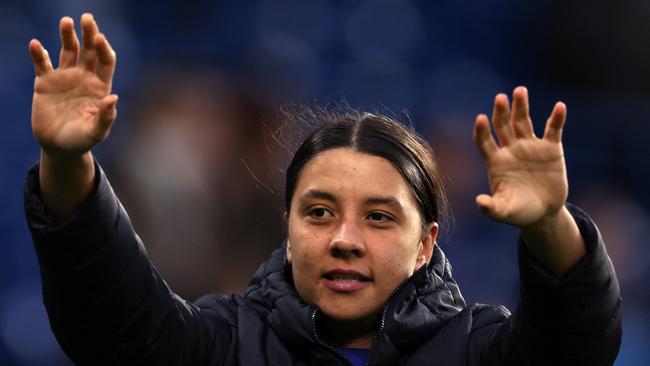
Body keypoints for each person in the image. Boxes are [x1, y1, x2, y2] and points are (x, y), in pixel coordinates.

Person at [24, 13, 621, 365]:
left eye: (381, 217)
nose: (344, 240)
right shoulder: (225, 344)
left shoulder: (475, 349)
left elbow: (578, 346)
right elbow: (110, 325)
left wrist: (548, 223)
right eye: (318, 212)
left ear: (425, 244)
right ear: (287, 230)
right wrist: (67, 160)